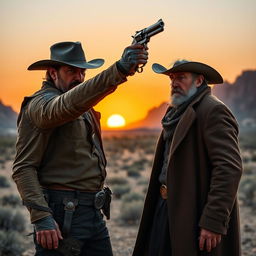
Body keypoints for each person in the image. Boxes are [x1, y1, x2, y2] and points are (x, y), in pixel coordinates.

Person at [12, 41, 148, 256]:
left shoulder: (82, 106)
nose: (79, 77)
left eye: (82, 72)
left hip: (92, 212)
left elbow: (76, 101)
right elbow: (23, 168)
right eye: (71, 71)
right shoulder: (40, 105)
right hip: (62, 215)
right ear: (52, 73)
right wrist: (41, 217)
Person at [133, 60, 243, 256]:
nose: (174, 83)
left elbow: (228, 168)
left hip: (194, 210)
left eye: (181, 77)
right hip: (166, 206)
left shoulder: (213, 110)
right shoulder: (176, 111)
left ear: (199, 81)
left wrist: (213, 221)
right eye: (172, 78)